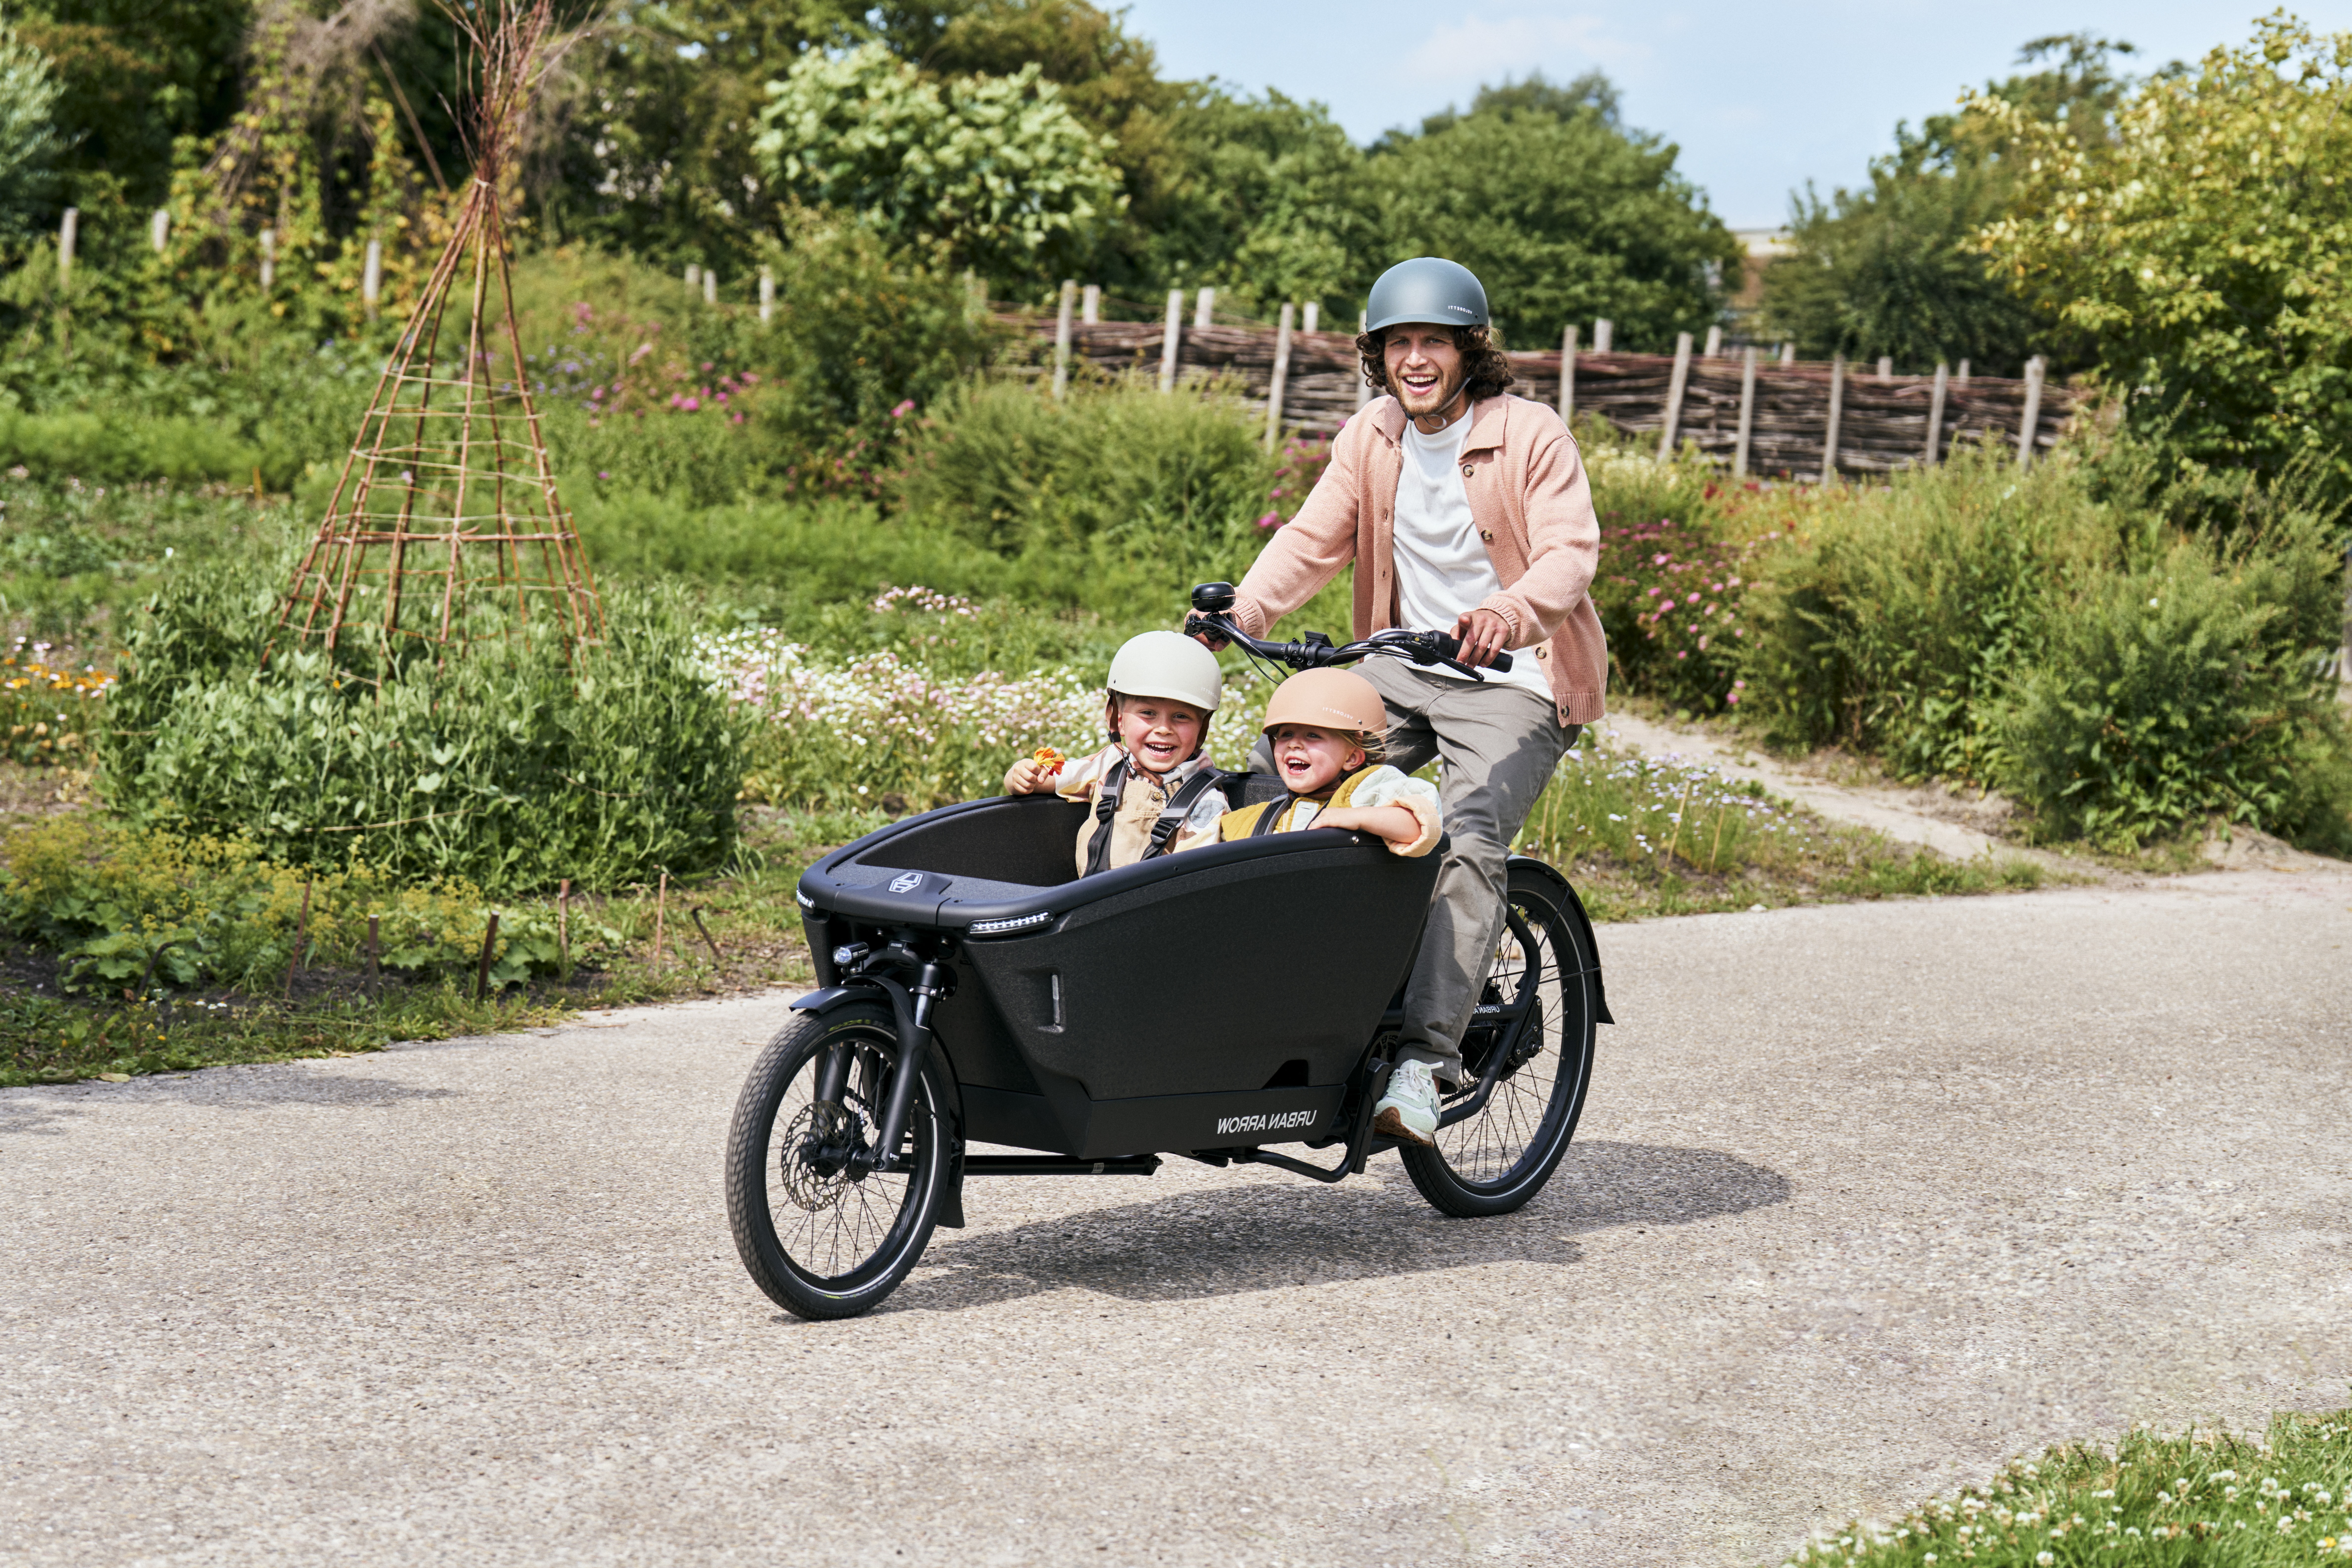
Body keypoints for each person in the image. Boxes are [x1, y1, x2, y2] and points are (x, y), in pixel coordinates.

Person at [1201, 256, 1605, 1149]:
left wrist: (1506, 614)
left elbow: (1570, 555)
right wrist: (1243, 615)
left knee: (1468, 833)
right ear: (1377, 355)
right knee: (1276, 774)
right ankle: (1287, 994)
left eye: (1434, 342)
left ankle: (1425, 1061)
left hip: (1516, 679)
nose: (1414, 359)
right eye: (1397, 343)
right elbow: (1312, 538)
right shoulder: (1372, 436)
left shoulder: (1530, 434)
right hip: (1402, 664)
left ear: (1470, 350)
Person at [1004, 630, 1230, 876]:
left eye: (1181, 717)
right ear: (1120, 721)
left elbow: (1192, 879)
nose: (1164, 729)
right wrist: (1020, 777)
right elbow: (1046, 780)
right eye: (1148, 713)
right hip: (1090, 892)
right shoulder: (1110, 764)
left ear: (1201, 729)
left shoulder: (1205, 800)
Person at [1219, 669, 1440, 860]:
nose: (1295, 744)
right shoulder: (1269, 814)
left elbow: (1420, 825)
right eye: (1286, 734)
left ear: (1352, 758)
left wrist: (1356, 817)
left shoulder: (1367, 789)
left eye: (1313, 735)